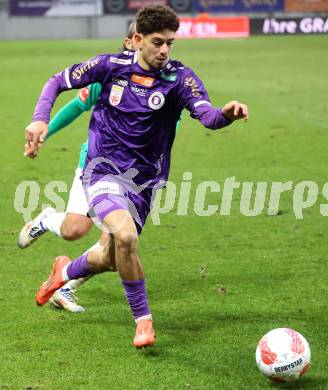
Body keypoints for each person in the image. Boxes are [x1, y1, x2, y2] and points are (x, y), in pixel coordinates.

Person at [24, 5, 248, 349]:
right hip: (102, 171)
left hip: (145, 183)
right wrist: (41, 119)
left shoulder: (180, 78)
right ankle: (143, 322)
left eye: (170, 43)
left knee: (112, 256)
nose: (164, 51)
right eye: (158, 42)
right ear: (138, 40)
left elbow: (207, 116)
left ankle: (65, 273)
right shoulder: (109, 67)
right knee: (125, 237)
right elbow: (57, 81)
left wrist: (226, 115)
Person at [17, 22, 138, 313]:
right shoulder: (109, 75)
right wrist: (45, 133)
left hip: (134, 176)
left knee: (114, 248)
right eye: (143, 38)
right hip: (95, 167)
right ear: (131, 41)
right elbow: (75, 106)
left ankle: (66, 287)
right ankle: (46, 220)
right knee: (74, 231)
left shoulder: (166, 84)